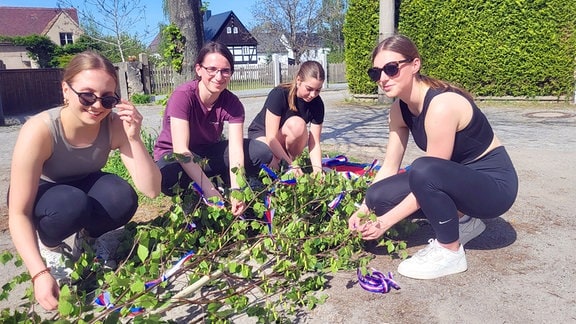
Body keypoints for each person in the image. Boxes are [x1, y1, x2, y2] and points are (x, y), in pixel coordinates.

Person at [348, 35, 518, 280]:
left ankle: (450, 251)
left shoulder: (441, 105)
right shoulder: (399, 109)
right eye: (376, 73)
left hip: (494, 189)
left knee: (424, 169)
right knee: (377, 196)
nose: (383, 78)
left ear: (415, 65)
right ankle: (465, 221)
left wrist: (383, 223)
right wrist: (365, 209)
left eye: (391, 69)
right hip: (458, 179)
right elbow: (389, 166)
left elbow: (430, 176)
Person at [8, 51, 161, 311]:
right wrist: (39, 273)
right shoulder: (40, 130)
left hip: (82, 184)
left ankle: (89, 241)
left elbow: (152, 189)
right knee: (70, 204)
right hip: (44, 194)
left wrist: (133, 138)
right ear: (65, 90)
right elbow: (18, 213)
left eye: (107, 99)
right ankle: (51, 247)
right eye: (87, 95)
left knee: (122, 196)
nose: (97, 106)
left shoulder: (113, 125)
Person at [154, 41, 272, 216]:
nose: (219, 76)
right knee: (168, 178)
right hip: (174, 155)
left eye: (225, 71)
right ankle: (198, 192)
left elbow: (235, 149)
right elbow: (181, 151)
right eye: (212, 69)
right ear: (199, 69)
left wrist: (237, 188)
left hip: (206, 154)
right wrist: (208, 190)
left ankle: (224, 185)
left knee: (261, 152)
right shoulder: (183, 97)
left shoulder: (232, 104)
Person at [248, 61, 325, 175]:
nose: (313, 94)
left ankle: (288, 160)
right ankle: (286, 162)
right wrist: (291, 165)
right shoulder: (279, 94)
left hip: (284, 139)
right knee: (272, 165)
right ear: (298, 80)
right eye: (309, 89)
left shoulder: (317, 104)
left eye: (318, 90)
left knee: (298, 125)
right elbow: (271, 137)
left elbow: (314, 142)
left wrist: (318, 170)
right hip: (263, 135)